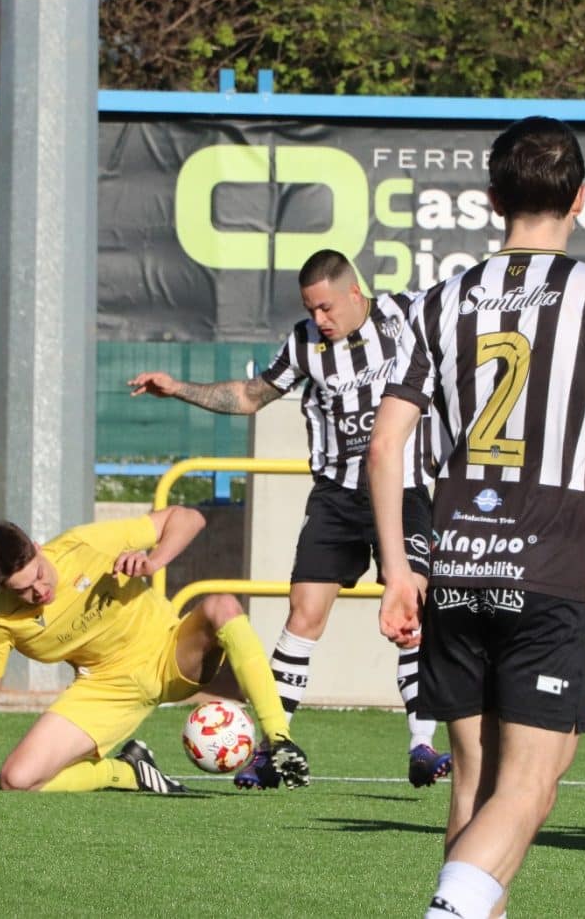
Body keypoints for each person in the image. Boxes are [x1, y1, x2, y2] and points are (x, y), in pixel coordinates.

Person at [368, 116, 585, 919]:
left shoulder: (439, 299)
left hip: (457, 560)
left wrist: (400, 568)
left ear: (493, 199)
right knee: (532, 781)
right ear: (582, 200)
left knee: (474, 779)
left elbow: (385, 446)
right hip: (550, 560)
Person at [128, 248, 452, 790]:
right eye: (311, 310)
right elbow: (251, 396)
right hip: (336, 496)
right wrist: (178, 388)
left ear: (355, 292)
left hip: (404, 487)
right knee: (303, 614)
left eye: (326, 308)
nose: (319, 320)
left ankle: (422, 746)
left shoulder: (405, 315)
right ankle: (272, 747)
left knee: (411, 607)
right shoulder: (303, 343)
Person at [0, 507, 310, 794]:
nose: (38, 591)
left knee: (222, 606)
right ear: (1, 586)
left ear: (39, 548)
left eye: (38, 574)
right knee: (16, 780)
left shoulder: (85, 544)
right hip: (105, 689)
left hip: (169, 653)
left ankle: (279, 740)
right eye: (22, 590)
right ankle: (127, 771)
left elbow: (189, 519)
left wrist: (153, 560)